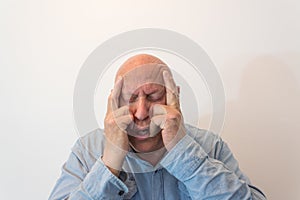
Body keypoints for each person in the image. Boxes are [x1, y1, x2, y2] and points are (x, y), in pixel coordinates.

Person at [49, 54, 266, 199]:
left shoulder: (210, 145)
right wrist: (110, 162)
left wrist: (183, 151)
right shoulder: (87, 150)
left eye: (154, 96)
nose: (142, 112)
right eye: (130, 98)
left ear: (174, 97)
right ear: (114, 102)